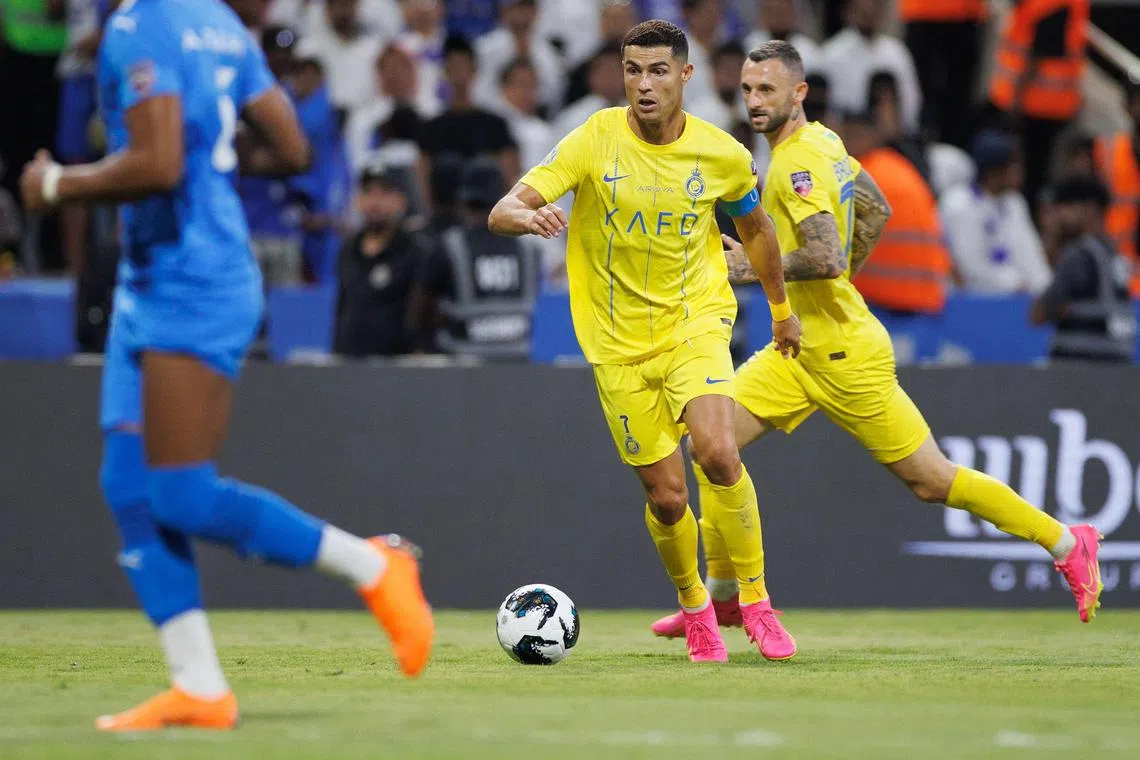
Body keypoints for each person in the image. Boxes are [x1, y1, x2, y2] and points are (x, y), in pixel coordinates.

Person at [18, 0, 432, 731]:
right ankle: (200, 687)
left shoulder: (138, 26)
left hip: (194, 282)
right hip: (152, 280)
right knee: (125, 483)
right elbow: (294, 150)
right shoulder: (216, 22)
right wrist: (216, 165)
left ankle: (373, 566)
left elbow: (157, 162)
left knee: (178, 496)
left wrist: (57, 186)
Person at [649, 40, 1104, 648]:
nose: (754, 101)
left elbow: (827, 254)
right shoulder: (827, 144)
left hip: (842, 355)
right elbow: (875, 209)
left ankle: (1069, 543)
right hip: (802, 344)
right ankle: (726, 599)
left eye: (767, 90)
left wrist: (751, 269)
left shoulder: (794, 164)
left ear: (799, 92)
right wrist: (830, 289)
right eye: (748, 90)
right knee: (712, 446)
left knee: (930, 480)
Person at [489, 19, 802, 664]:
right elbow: (503, 210)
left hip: (696, 323)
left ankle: (757, 603)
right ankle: (695, 609)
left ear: (685, 76)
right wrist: (529, 216)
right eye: (633, 70)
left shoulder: (721, 154)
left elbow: (760, 232)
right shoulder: (593, 140)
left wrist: (779, 309)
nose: (644, 84)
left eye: (658, 70)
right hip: (617, 345)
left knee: (717, 452)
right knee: (667, 498)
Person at [1031, 175, 1136, 363]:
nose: (1060, 214)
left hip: (1080, 367)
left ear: (1089, 209)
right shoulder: (1114, 253)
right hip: (1117, 363)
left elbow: (1038, 314)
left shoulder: (1079, 255)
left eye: (1066, 206)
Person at [940, 129, 1051, 295]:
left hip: (1016, 297)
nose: (1021, 170)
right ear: (993, 171)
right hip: (969, 300)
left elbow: (1030, 255)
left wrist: (1046, 290)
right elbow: (969, 266)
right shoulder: (958, 204)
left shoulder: (1014, 203)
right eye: (1013, 165)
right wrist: (1014, 283)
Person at [334, 161, 427, 357]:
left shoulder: (414, 250)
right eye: (368, 191)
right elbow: (341, 308)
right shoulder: (348, 250)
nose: (375, 202)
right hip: (350, 364)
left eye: (385, 192)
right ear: (357, 199)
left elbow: (421, 315)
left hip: (397, 369)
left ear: (401, 200)